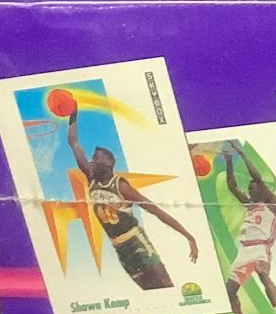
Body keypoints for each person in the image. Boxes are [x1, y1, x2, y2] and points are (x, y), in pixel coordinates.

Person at [65, 108, 199, 290]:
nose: (91, 162)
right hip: (119, 247)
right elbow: (73, 142)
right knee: (148, 290)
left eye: (95, 159)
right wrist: (73, 115)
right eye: (92, 159)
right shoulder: (91, 176)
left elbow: (156, 211)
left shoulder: (121, 186)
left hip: (136, 242)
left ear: (107, 164)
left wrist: (188, 236)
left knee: (165, 287)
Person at [220, 143, 276, 314]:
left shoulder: (271, 203)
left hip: (261, 247)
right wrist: (228, 161)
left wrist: (241, 153)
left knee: (263, 274)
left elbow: (257, 177)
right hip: (244, 250)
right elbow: (232, 186)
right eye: (249, 188)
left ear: (261, 190)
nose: (250, 190)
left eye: (253, 188)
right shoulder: (249, 205)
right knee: (229, 289)